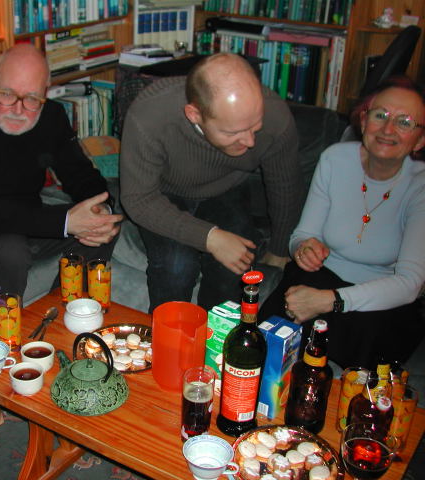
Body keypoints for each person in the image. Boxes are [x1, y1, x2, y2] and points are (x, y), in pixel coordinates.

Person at [259, 76, 425, 369]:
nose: (388, 129)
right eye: (380, 115)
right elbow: (302, 235)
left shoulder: (420, 186)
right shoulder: (334, 159)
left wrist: (331, 300)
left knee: (360, 358)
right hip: (321, 277)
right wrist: (304, 248)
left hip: (379, 297)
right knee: (263, 344)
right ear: (364, 120)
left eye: (405, 122)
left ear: (420, 140)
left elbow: (410, 284)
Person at [120, 53, 303, 312]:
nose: (250, 141)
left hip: (226, 188)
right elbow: (138, 199)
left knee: (235, 265)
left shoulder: (276, 116)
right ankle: (169, 334)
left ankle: (218, 335)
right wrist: (210, 238)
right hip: (162, 193)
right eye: (233, 132)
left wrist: (280, 248)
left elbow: (285, 185)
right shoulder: (150, 114)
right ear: (194, 114)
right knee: (176, 266)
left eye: (255, 126)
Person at [0, 44, 121, 297]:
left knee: (103, 225)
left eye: (32, 99)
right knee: (10, 250)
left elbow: (80, 173)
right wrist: (66, 222)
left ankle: (67, 307)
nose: (18, 109)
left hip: (25, 219)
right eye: (7, 94)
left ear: (46, 92)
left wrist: (100, 209)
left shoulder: (52, 115)